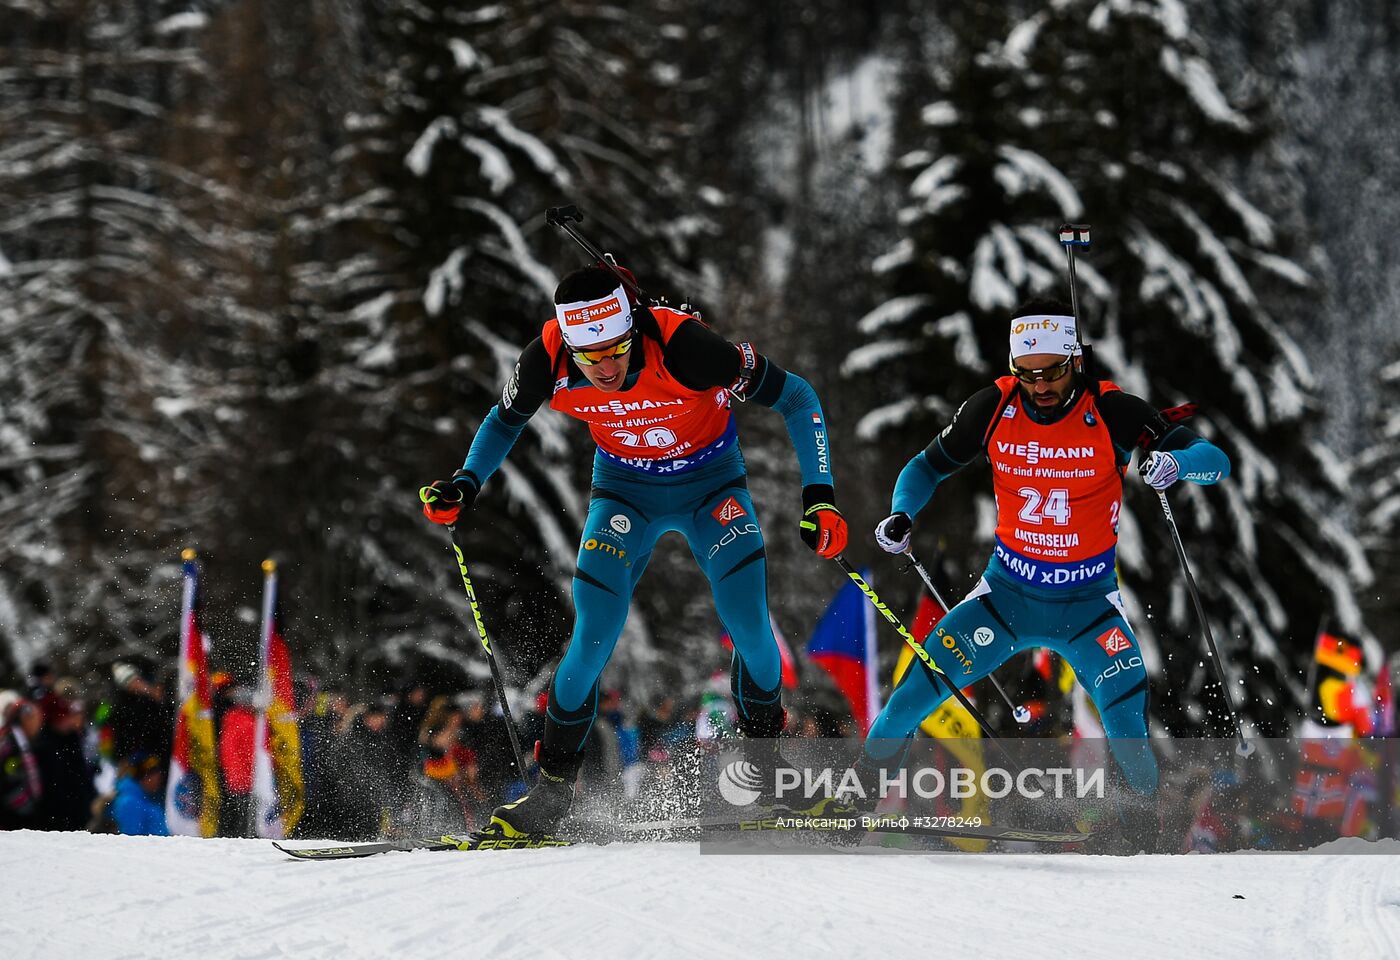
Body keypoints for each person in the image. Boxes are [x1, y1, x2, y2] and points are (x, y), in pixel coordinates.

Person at [420, 262, 848, 837]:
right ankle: (551, 795)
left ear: (632, 329)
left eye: (616, 351)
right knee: (593, 636)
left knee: (750, 627)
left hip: (712, 486)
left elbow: (797, 396)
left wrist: (820, 498)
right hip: (624, 492)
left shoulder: (685, 347)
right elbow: (504, 420)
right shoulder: (547, 357)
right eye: (589, 357)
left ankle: (766, 781)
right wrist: (465, 484)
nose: (605, 369)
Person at [863, 298, 1231, 798]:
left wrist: (1178, 465)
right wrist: (902, 512)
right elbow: (925, 466)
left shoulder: (1111, 411)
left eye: (1052, 372)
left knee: (1128, 732)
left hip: (1088, 608)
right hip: (1004, 599)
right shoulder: (994, 407)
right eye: (1027, 373)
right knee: (906, 703)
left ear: (1075, 360)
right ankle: (854, 799)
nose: (1039, 386)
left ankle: (1141, 830)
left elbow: (1214, 459)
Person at [0, 692, 44, 829]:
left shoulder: (22, 742)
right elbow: (8, 776)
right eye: (35, 718)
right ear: (25, 719)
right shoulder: (10, 744)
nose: (39, 724)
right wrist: (24, 807)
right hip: (13, 817)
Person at [110, 752, 170, 836]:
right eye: (155, 775)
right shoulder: (130, 803)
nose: (159, 780)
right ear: (144, 777)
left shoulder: (145, 798)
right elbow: (131, 840)